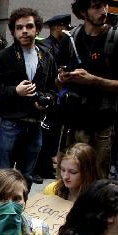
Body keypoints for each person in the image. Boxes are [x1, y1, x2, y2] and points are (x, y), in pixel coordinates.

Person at [57, 0, 118, 180]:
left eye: (106, 5)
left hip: (102, 123)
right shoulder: (70, 38)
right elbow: (57, 80)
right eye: (97, 6)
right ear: (83, 12)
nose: (104, 10)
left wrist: (93, 80)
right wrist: (62, 78)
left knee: (97, 177)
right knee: (69, 175)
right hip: (73, 122)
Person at [0, 8, 58, 188]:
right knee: (3, 172)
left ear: (37, 29)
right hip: (11, 122)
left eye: (29, 26)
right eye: (19, 28)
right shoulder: (4, 57)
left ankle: (20, 210)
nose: (24, 31)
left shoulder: (46, 56)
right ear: (13, 31)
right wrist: (14, 91)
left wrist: (46, 100)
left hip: (35, 123)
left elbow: (53, 89)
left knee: (27, 175)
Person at [34, 14, 71, 183]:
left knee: (54, 134)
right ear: (57, 27)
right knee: (42, 133)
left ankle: (46, 166)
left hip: (59, 97)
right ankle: (36, 168)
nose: (68, 31)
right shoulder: (44, 46)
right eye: (66, 27)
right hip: (47, 94)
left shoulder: (65, 46)